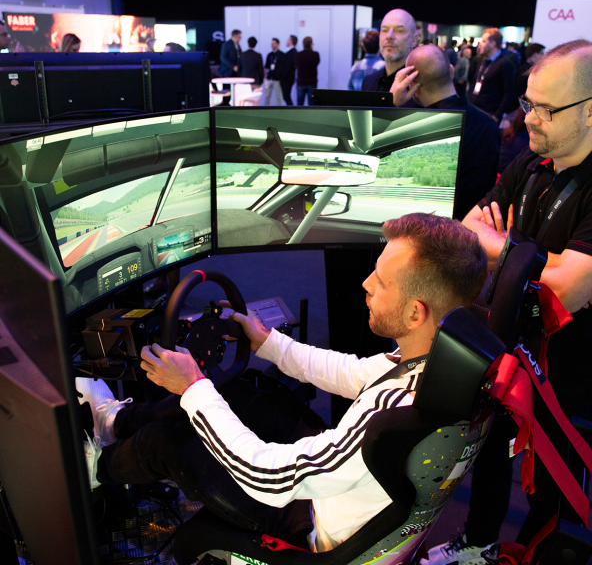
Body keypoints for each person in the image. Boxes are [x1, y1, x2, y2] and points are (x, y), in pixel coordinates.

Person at [78, 213, 488, 554]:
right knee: (235, 393)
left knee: (166, 443)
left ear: (415, 313)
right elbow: (351, 372)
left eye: (381, 281)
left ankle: (95, 468)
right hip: (338, 482)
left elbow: (268, 477)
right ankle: (116, 422)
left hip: (307, 516)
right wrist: (269, 343)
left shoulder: (392, 414)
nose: (365, 283)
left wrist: (192, 387)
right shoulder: (433, 362)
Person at [426, 39, 592, 565]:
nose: (528, 120)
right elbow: (465, 234)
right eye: (526, 104)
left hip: (572, 367)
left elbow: (566, 290)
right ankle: (479, 544)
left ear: (590, 111)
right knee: (490, 446)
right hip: (511, 340)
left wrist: (504, 245)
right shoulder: (532, 161)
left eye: (546, 109)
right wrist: (527, 257)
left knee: (555, 487)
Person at [389, 44, 500, 220]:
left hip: (423, 228)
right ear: (451, 70)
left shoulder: (411, 127)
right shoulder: (488, 125)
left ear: (412, 84)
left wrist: (391, 106)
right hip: (471, 227)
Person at [362, 9, 419, 93]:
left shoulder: (420, 86)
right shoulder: (368, 82)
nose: (389, 36)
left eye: (399, 30)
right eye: (385, 30)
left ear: (414, 40)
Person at [470, 28, 516, 123]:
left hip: (490, 115)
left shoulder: (505, 64)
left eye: (484, 41)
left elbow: (509, 92)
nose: (480, 44)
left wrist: (497, 115)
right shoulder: (481, 60)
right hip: (475, 110)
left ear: (492, 43)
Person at [218, 29, 242, 106]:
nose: (240, 39)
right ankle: (225, 106)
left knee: (234, 91)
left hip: (235, 73)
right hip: (227, 72)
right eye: (239, 37)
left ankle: (231, 106)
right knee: (227, 91)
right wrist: (232, 67)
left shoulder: (238, 46)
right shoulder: (226, 44)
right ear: (235, 36)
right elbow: (222, 58)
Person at [294, 36, 320, 105]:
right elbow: (317, 63)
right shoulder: (315, 54)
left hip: (301, 82)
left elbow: (296, 65)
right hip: (312, 82)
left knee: (299, 105)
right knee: (311, 105)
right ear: (311, 44)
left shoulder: (298, 55)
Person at [264, 38, 284, 106]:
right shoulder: (269, 55)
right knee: (266, 96)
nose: (272, 45)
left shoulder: (282, 55)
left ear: (278, 44)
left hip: (277, 79)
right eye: (271, 44)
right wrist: (264, 78)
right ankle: (265, 109)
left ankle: (280, 110)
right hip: (268, 79)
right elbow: (266, 67)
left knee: (278, 96)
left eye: (273, 43)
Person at [281, 35, 298, 105]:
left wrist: (282, 78)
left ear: (291, 41)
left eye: (288, 39)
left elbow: (288, 67)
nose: (286, 41)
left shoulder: (292, 53)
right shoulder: (291, 52)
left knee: (286, 96)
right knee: (286, 96)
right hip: (288, 78)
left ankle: (291, 109)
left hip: (287, 79)